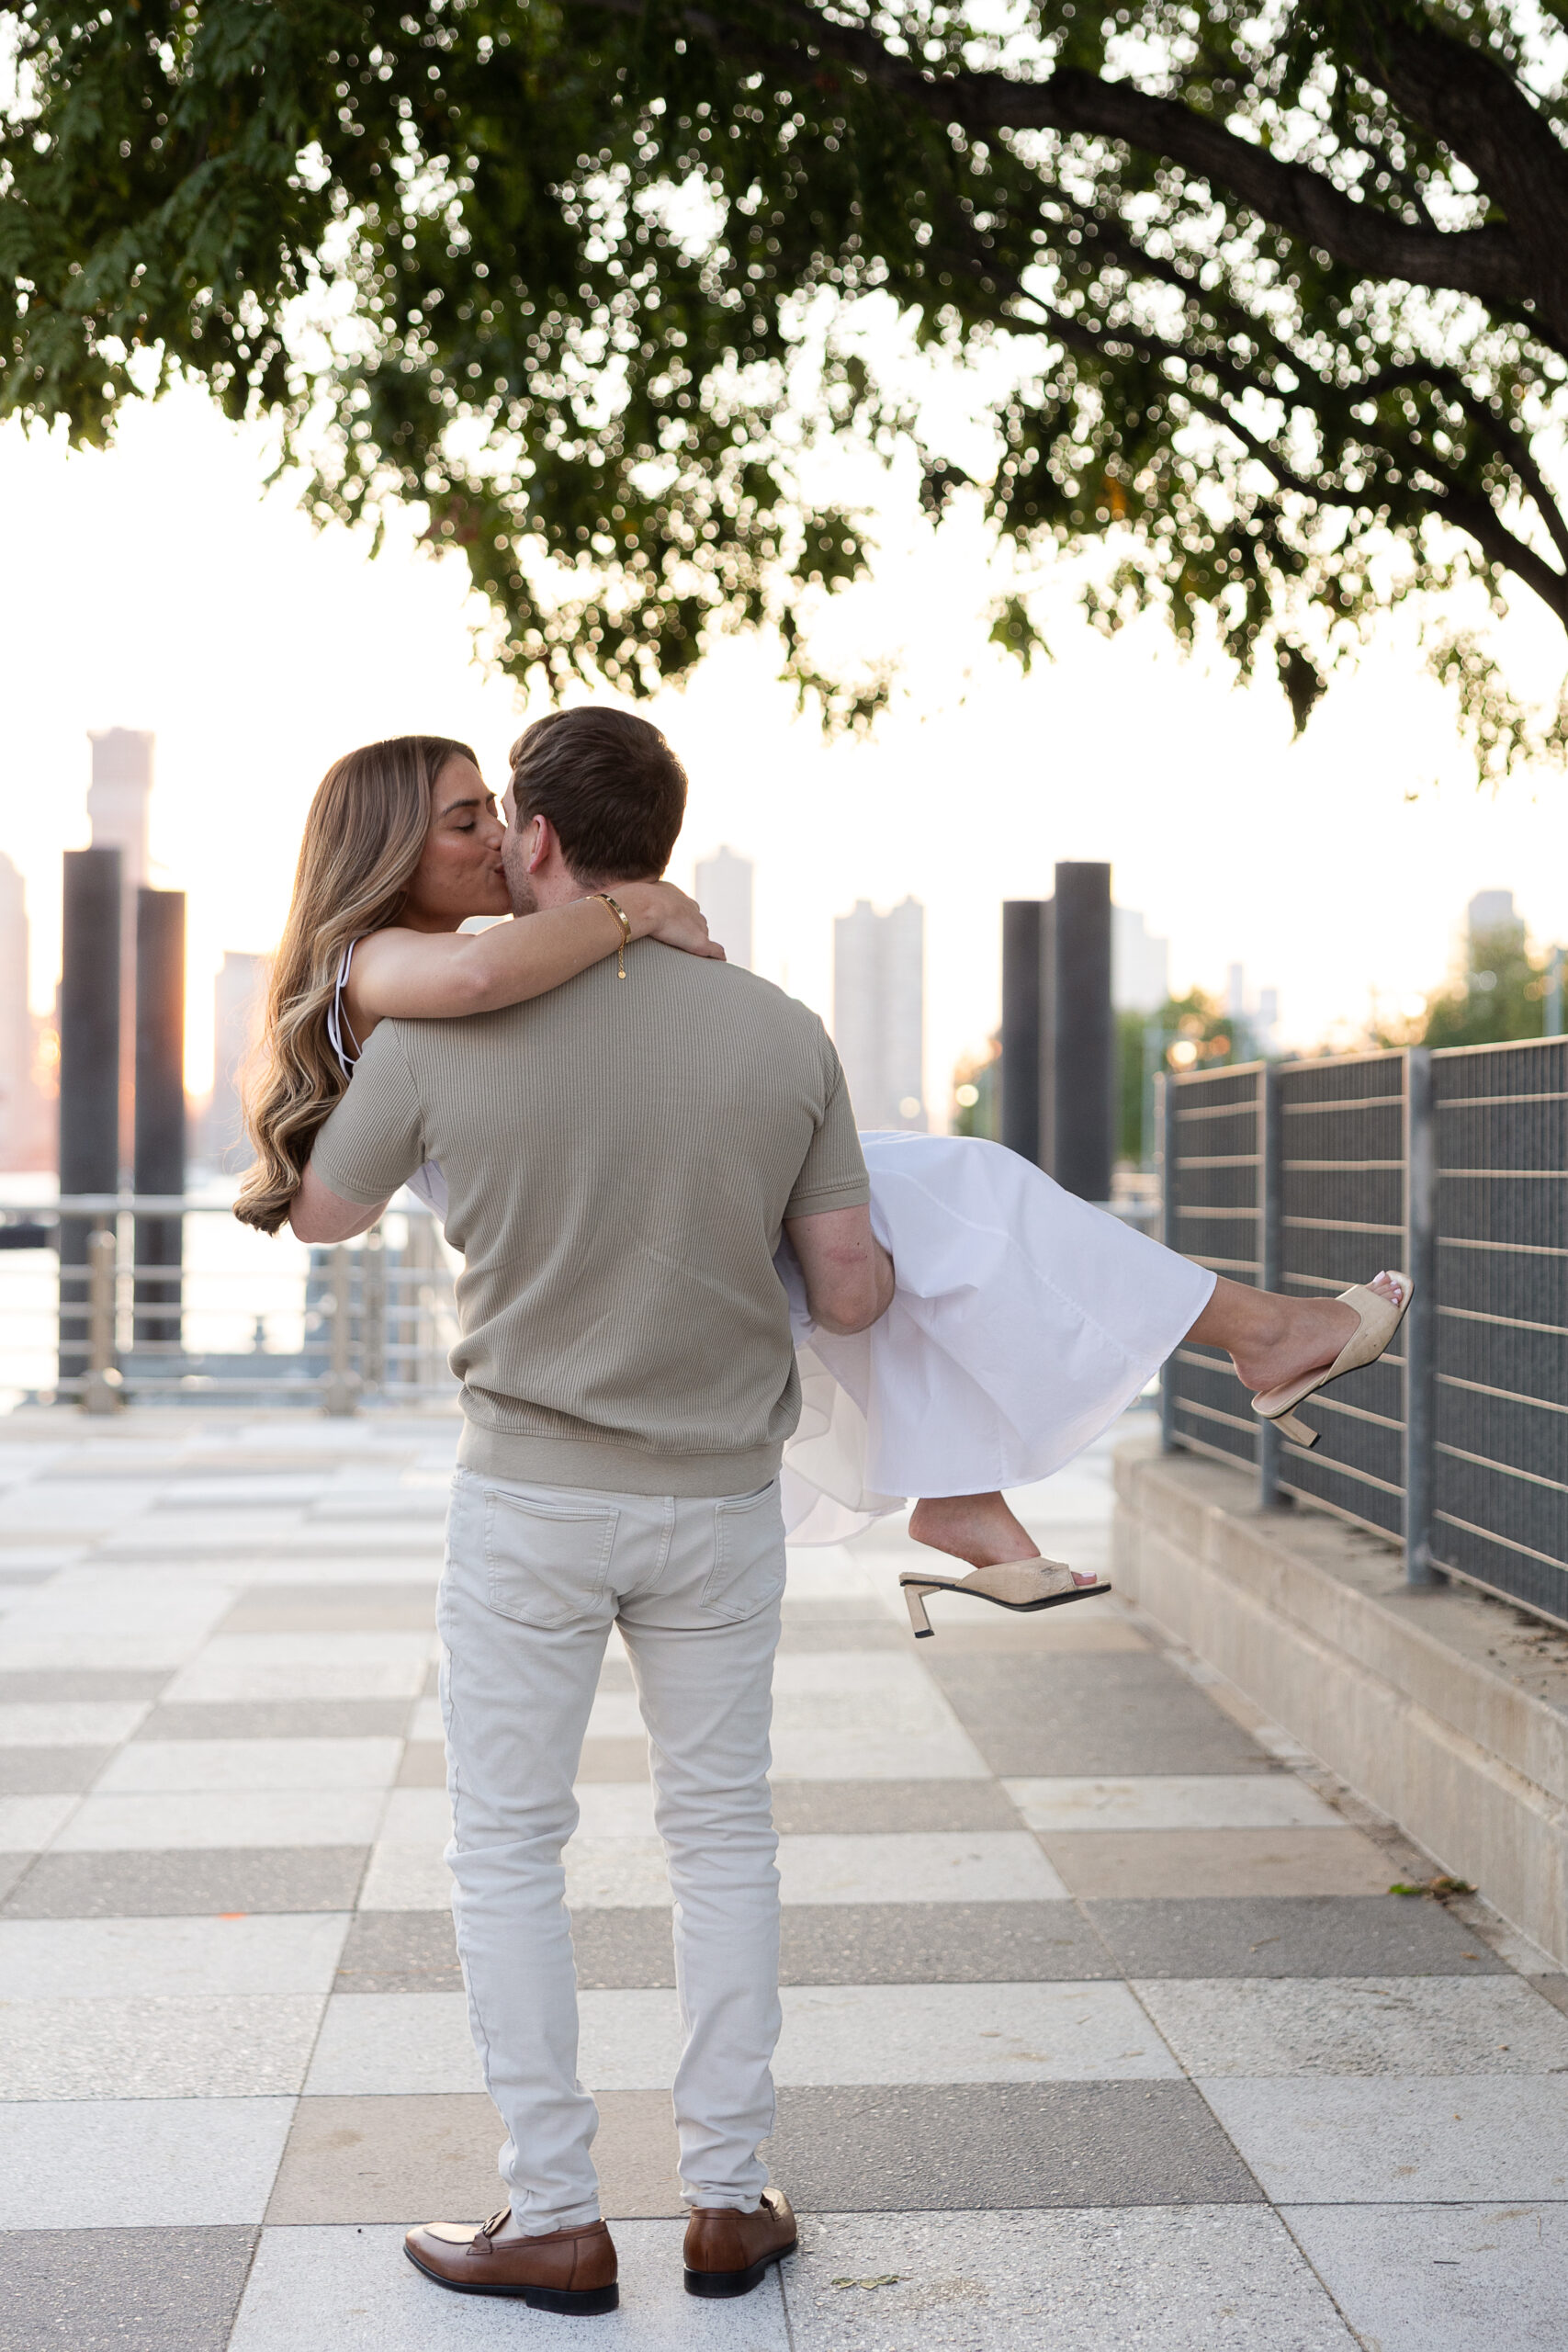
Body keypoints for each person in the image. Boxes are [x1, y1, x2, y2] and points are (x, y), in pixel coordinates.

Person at [241, 724, 1409, 1634]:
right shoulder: (398, 966)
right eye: (464, 821)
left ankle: (973, 1486)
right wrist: (635, 905)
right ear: (389, 843)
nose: (495, 837)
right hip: (592, 1268)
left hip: (589, 1258)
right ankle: (1250, 1337)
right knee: (952, 1198)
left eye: (499, 816)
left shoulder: (443, 972)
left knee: (915, 1230)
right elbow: (484, 982)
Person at [286, 707, 886, 2308]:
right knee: (720, 1838)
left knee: (506, 1852)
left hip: (530, 1500)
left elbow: (327, 1212)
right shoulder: (779, 1032)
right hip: (716, 1504)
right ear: (661, 844)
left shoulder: (429, 1031)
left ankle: (552, 2210)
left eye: (497, 822)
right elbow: (850, 1290)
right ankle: (720, 2202)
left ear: (535, 839)